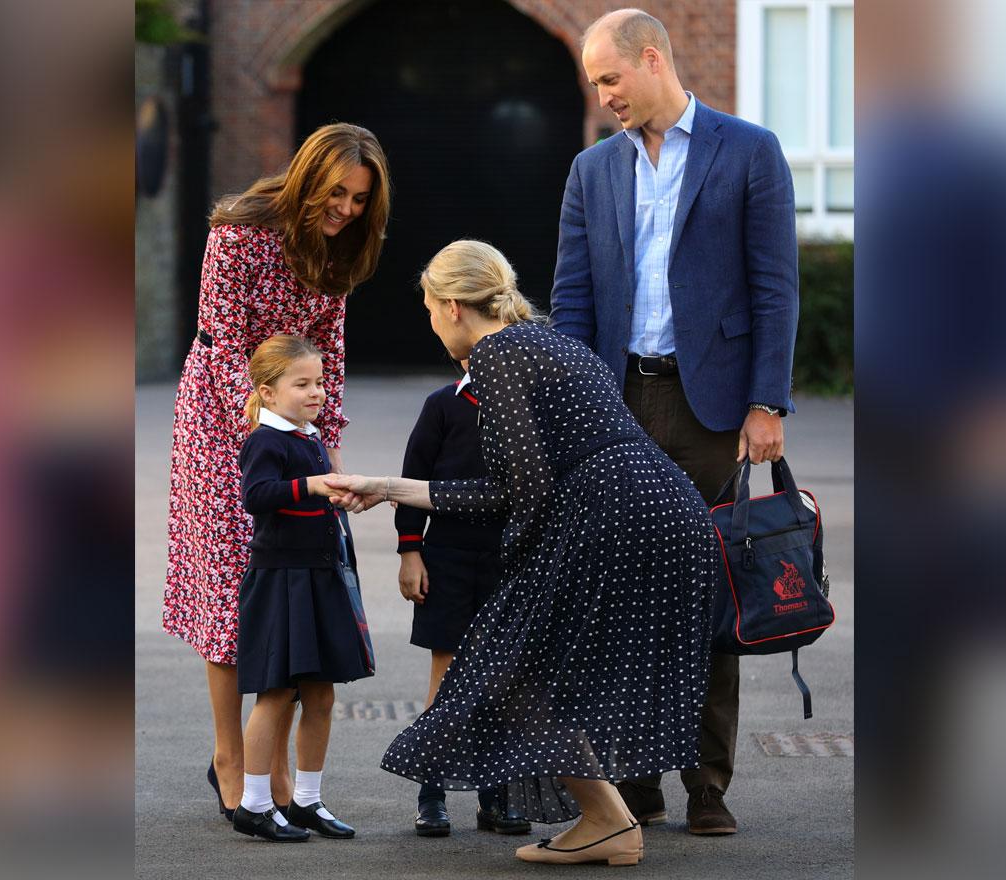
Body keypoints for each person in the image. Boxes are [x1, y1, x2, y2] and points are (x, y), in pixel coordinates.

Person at [327, 240, 715, 866]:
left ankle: (608, 821)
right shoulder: (549, 339)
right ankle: (609, 822)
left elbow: (515, 493)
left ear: (453, 306)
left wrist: (515, 575)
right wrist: (389, 488)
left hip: (610, 516)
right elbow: (521, 482)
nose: (430, 324)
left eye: (428, 309)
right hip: (663, 507)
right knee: (541, 671)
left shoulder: (497, 355)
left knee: (514, 667)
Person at [550, 9, 799, 835]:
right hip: (619, 403)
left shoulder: (748, 150)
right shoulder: (591, 171)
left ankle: (708, 786)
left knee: (705, 588)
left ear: (651, 60)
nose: (603, 96)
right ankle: (636, 781)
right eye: (596, 85)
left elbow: (775, 286)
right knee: (620, 594)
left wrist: (767, 402)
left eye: (609, 78)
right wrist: (572, 409)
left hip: (712, 411)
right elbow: (573, 299)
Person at [161, 123, 391, 821]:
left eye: (360, 199)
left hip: (295, 419)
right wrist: (278, 434)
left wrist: (331, 445)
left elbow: (331, 351)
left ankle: (277, 769)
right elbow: (228, 347)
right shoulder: (237, 233)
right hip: (222, 416)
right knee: (237, 590)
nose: (348, 209)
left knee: (294, 590)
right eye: (339, 192)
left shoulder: (342, 246)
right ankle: (231, 760)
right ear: (308, 176)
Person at [228, 335, 373, 842]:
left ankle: (307, 801)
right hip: (282, 580)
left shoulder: (309, 436)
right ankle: (253, 804)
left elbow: (317, 502)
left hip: (321, 575)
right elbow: (256, 496)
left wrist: (343, 494)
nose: (317, 392)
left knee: (322, 693)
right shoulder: (266, 441)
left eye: (321, 382)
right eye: (303, 384)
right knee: (276, 693)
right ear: (268, 392)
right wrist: (312, 486)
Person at [394, 361, 529, 837]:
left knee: (501, 679)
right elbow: (412, 478)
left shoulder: (526, 407)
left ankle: (495, 796)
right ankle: (431, 793)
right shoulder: (443, 406)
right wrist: (410, 550)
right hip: (447, 558)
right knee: (447, 674)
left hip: (508, 560)